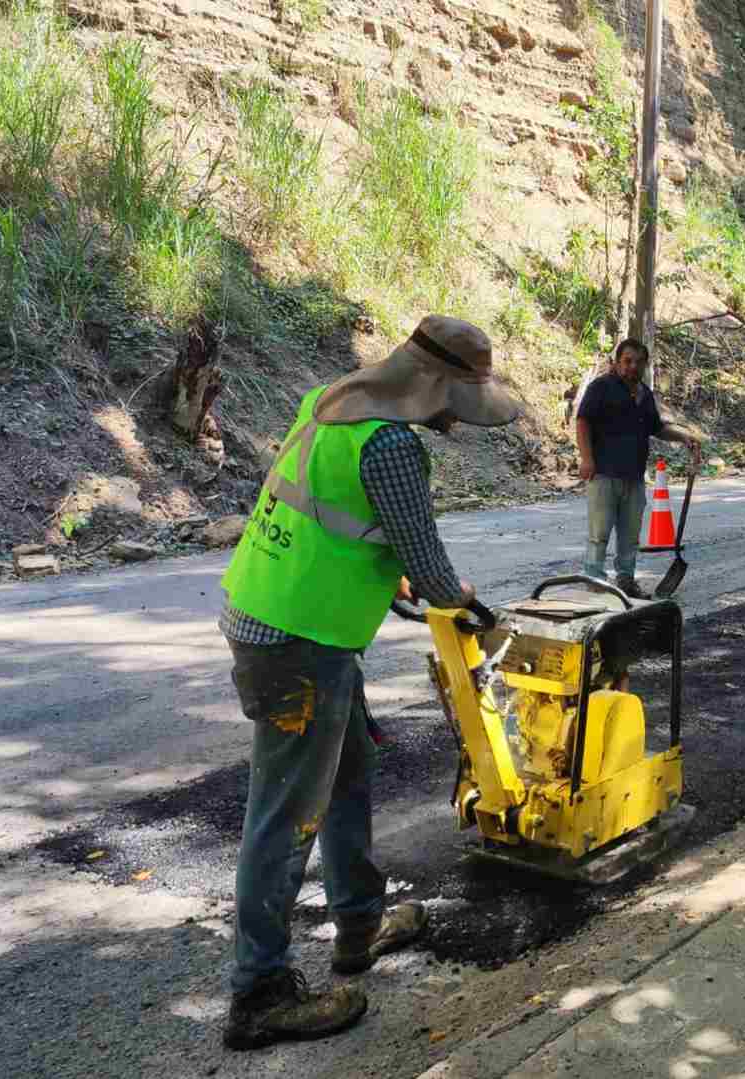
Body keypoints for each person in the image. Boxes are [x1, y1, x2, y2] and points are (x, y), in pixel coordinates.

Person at [216, 314, 522, 1051]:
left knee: (351, 769)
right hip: (297, 641)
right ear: (432, 389)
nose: (456, 420)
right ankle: (258, 992)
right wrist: (473, 608)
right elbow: (427, 558)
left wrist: (394, 587)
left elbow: (329, 517)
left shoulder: (336, 402)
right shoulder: (391, 447)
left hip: (280, 613)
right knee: (286, 813)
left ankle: (357, 924)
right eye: (456, 402)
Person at [574, 338, 701, 597]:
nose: (632, 366)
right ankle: (594, 583)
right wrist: (587, 459)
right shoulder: (601, 388)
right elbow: (583, 422)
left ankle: (626, 581)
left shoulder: (644, 394)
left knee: (630, 535)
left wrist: (684, 437)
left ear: (645, 365)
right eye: (627, 361)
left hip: (634, 476)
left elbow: (657, 428)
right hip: (604, 474)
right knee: (599, 533)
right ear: (616, 363)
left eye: (638, 362)